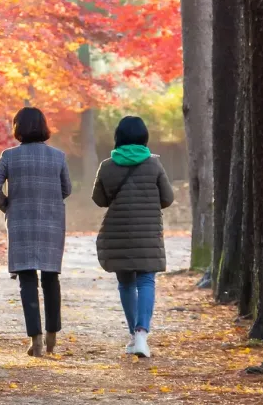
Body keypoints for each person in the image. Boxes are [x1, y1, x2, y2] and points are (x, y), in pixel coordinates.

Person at [0, 107, 72, 357]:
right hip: (51, 223)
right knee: (50, 278)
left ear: (18, 128)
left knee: (27, 281)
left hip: (21, 224)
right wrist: (49, 200)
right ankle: (52, 337)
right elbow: (66, 189)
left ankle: (35, 339)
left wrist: (8, 205)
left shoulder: (9, 156)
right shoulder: (58, 157)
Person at [91, 116, 174, 358]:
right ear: (143, 137)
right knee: (146, 281)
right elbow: (167, 199)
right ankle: (141, 335)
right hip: (148, 232)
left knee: (126, 283)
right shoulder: (154, 165)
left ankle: (133, 335)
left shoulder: (107, 165)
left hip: (118, 234)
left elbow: (99, 200)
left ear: (118, 137)